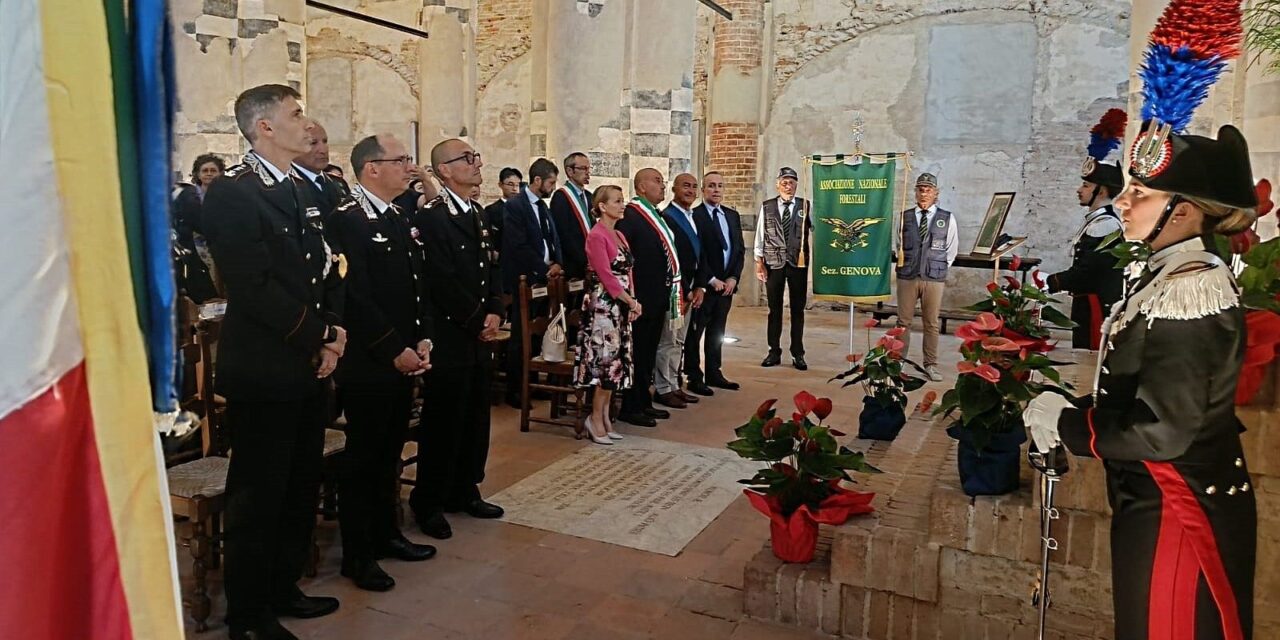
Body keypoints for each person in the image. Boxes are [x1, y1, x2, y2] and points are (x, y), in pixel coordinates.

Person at [1023, 122, 1258, 640]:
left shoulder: (1194, 287)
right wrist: (1070, 405)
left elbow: (1163, 428)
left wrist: (1068, 426)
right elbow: (1139, 390)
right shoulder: (1167, 275)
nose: (1124, 203)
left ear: (1187, 209)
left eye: (1141, 193)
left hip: (1180, 504)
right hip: (1154, 496)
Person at [202, 84, 344, 640]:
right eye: (295, 114)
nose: (306, 123)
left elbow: (329, 267)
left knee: (298, 484)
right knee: (258, 495)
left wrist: (333, 336)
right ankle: (248, 613)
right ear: (264, 127)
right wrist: (319, 335)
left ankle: (284, 587)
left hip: (309, 361)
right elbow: (253, 286)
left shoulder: (298, 189)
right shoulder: (235, 194)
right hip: (265, 364)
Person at [328, 134, 437, 593]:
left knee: (389, 452)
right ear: (372, 168)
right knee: (365, 457)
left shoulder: (397, 215)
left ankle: (387, 533)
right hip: (371, 360)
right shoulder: (347, 222)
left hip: (405, 355)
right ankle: (359, 554)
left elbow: (416, 283)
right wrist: (394, 347)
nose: (409, 168)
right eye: (401, 160)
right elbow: (356, 297)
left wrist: (424, 335)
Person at [408, 138, 505, 541]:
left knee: (476, 415)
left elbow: (492, 267)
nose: (476, 163)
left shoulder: (478, 214)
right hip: (451, 333)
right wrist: (475, 318)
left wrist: (496, 309)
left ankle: (465, 487)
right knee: (444, 419)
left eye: (475, 156)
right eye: (467, 158)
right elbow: (440, 280)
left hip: (480, 333)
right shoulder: (434, 218)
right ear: (443, 170)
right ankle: (428, 499)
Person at [1046, 112, 1125, 350]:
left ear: (1101, 192)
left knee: (1088, 357)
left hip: (1095, 308)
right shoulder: (1097, 221)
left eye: (1086, 185)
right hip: (1085, 303)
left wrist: (1051, 281)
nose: (1079, 190)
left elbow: (1088, 272)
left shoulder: (1107, 226)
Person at [573, 185, 640, 444]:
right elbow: (606, 276)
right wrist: (629, 301)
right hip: (603, 306)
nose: (622, 205)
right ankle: (595, 417)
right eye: (617, 201)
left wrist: (633, 301)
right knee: (604, 364)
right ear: (602, 206)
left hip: (621, 305)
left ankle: (606, 417)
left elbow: (629, 272)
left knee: (616, 364)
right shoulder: (596, 235)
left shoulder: (620, 235)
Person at [501, 158, 564, 407]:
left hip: (546, 278)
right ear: (537, 180)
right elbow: (518, 245)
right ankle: (517, 389)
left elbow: (553, 237)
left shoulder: (543, 206)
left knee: (540, 333)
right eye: (550, 182)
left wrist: (558, 263)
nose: (553, 186)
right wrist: (543, 268)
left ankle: (534, 383)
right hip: (525, 278)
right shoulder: (515, 206)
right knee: (521, 336)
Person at [615, 168, 675, 427]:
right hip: (639, 297)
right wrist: (631, 297)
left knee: (649, 352)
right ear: (641, 187)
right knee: (636, 353)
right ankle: (630, 406)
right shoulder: (631, 216)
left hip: (657, 296)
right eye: (657, 182)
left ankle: (644, 401)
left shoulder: (656, 216)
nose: (663, 186)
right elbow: (625, 260)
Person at [894, 172, 957, 382]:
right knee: (903, 321)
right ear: (915, 192)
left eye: (928, 190)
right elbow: (897, 243)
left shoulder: (946, 218)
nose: (924, 193)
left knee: (931, 323)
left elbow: (951, 249)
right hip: (908, 276)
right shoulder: (905, 217)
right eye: (920, 189)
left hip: (933, 277)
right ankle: (898, 361)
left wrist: (936, 266)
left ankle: (930, 364)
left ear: (936, 193)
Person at [687, 171, 744, 393]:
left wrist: (733, 278)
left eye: (720, 185)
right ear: (703, 189)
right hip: (706, 285)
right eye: (711, 185)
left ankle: (714, 371)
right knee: (695, 332)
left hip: (726, 287)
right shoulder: (695, 215)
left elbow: (739, 249)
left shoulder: (731, 215)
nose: (716, 190)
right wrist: (710, 279)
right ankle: (693, 375)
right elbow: (697, 252)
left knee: (717, 332)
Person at [655, 173, 707, 409]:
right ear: (674, 189)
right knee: (668, 340)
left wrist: (699, 286)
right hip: (675, 290)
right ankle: (663, 387)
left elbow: (699, 254)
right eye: (686, 186)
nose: (690, 190)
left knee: (679, 341)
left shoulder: (693, 216)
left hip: (690, 289)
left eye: (694, 187)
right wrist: (685, 289)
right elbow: (673, 257)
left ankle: (675, 384)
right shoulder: (667, 217)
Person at [754, 166, 812, 370]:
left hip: (798, 263)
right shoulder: (767, 206)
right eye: (785, 182)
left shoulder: (806, 205)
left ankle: (798, 353)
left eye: (792, 182)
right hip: (773, 263)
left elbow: (816, 229)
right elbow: (760, 235)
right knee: (774, 309)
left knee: (797, 310)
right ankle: (773, 351)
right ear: (778, 184)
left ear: (797, 184)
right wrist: (759, 262)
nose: (789, 186)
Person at [550, 152, 594, 281]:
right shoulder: (561, 197)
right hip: (573, 264)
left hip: (592, 261)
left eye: (588, 168)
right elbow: (563, 233)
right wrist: (583, 259)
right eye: (583, 168)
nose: (587, 172)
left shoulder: (589, 196)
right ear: (570, 171)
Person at [293, 122, 347, 217]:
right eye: (313, 143)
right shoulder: (287, 184)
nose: (323, 150)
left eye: (325, 141)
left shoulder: (338, 183)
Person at [485, 167, 524, 260]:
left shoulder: (525, 209)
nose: (515, 189)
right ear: (500, 184)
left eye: (517, 185)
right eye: (510, 184)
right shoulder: (491, 210)